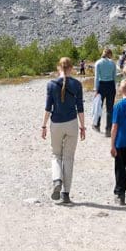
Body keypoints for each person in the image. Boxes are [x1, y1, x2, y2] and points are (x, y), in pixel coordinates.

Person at [41, 57, 86, 205]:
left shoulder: (51, 84)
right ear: (71, 68)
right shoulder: (77, 84)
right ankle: (66, 194)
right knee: (69, 158)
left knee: (56, 155)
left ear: (58, 67)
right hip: (72, 123)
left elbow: (48, 107)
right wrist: (82, 126)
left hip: (56, 123)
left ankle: (56, 181)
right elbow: (80, 107)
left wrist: (43, 125)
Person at [93, 47, 118, 136]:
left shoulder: (98, 63)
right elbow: (114, 77)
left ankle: (97, 125)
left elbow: (96, 77)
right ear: (110, 54)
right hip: (111, 84)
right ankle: (108, 129)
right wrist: (114, 87)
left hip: (101, 84)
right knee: (110, 108)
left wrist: (95, 89)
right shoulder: (113, 63)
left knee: (99, 106)